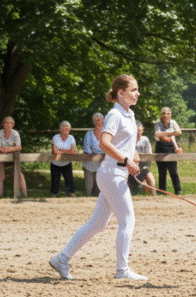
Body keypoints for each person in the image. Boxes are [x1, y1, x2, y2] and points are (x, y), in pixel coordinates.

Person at [50, 74, 147, 281]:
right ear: (120, 93)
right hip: (113, 174)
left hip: (114, 174)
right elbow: (104, 143)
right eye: (133, 90)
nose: (138, 93)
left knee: (97, 224)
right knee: (127, 221)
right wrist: (126, 160)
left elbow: (123, 144)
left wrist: (132, 156)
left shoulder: (128, 114)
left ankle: (62, 258)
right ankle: (122, 271)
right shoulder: (114, 115)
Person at [0, 116, 28, 198]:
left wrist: (6, 150)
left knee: (20, 174)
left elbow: (19, 147)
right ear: (3, 124)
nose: (8, 125)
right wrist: (10, 149)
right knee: (0, 176)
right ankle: (0, 197)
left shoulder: (15, 133)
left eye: (10, 123)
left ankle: (25, 196)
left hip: (12, 157)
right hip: (0, 157)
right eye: (6, 123)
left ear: (13, 124)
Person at [154, 107, 183, 196]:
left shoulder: (173, 122)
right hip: (160, 147)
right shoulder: (157, 124)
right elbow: (157, 135)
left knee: (173, 171)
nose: (166, 115)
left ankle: (178, 191)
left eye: (168, 113)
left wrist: (165, 135)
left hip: (171, 147)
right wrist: (171, 134)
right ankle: (162, 192)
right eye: (164, 113)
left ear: (170, 115)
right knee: (162, 172)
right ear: (161, 115)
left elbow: (179, 132)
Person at [50, 121, 78, 197]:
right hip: (55, 163)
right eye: (64, 128)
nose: (66, 130)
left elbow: (74, 152)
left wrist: (61, 151)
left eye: (68, 128)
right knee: (55, 182)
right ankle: (53, 195)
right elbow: (55, 151)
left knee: (69, 181)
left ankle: (71, 194)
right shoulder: (55, 137)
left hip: (67, 163)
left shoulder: (71, 138)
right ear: (60, 129)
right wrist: (67, 151)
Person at [81, 113, 105, 197]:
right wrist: (99, 153)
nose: (96, 122)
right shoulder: (89, 134)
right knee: (89, 187)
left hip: (102, 164)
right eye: (94, 120)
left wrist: (101, 154)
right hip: (89, 163)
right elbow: (87, 149)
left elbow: (108, 147)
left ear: (102, 121)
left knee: (100, 188)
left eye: (98, 120)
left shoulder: (106, 134)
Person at [133, 121, 156, 196]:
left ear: (142, 130)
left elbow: (149, 154)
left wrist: (147, 165)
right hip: (133, 167)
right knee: (144, 184)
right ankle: (144, 197)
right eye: (137, 131)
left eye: (140, 130)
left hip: (144, 166)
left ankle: (155, 196)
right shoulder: (130, 140)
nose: (138, 133)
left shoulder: (145, 139)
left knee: (151, 180)